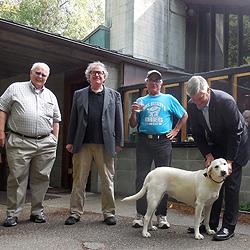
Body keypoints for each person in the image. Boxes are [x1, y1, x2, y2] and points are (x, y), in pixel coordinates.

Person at [186, 75, 250, 241]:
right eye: (194, 100)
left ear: (208, 90)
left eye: (201, 99)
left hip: (236, 143)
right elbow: (198, 133)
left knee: (230, 187)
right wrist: (208, 154)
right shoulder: (193, 105)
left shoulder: (225, 101)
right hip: (217, 144)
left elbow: (236, 132)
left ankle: (228, 227)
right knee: (211, 185)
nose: (198, 104)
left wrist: (229, 161)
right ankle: (211, 224)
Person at [0, 62, 61, 227]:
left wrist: (54, 140)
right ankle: (13, 214)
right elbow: (2, 108)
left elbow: (56, 119)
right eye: (38, 73)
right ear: (30, 73)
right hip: (19, 140)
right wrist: (0, 131)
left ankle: (37, 212)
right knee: (17, 178)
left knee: (42, 178)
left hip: (45, 143)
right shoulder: (15, 88)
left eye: (44, 75)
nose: (40, 76)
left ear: (47, 77)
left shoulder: (50, 95)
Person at [64, 61, 124, 226]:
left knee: (107, 180)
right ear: (89, 76)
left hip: (106, 144)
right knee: (79, 180)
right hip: (82, 144)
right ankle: (75, 213)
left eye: (100, 73)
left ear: (104, 77)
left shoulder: (114, 95)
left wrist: (119, 141)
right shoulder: (79, 94)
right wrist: (70, 141)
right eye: (93, 73)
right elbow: (73, 119)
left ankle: (109, 213)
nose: (97, 75)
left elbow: (119, 120)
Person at [129, 70, 188, 228]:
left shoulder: (168, 99)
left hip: (163, 142)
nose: (154, 83)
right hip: (143, 141)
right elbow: (133, 124)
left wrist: (175, 131)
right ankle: (140, 215)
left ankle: (161, 216)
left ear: (161, 84)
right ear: (146, 83)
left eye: (157, 81)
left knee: (164, 179)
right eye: (151, 80)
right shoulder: (141, 100)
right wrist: (133, 113)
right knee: (141, 177)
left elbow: (184, 115)